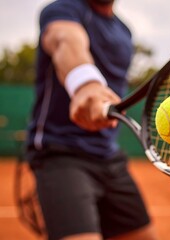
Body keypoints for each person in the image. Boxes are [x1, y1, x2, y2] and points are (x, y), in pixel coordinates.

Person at [25, 0, 159, 239]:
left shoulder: (123, 31)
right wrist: (86, 84)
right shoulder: (64, 10)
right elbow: (65, 40)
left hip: (109, 156)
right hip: (61, 153)